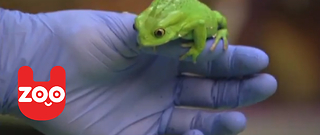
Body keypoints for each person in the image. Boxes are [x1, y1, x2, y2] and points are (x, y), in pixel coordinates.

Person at [0, 8, 277, 135]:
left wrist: (19, 53)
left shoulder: (186, 23)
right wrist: (25, 53)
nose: (143, 42)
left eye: (155, 34)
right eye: (138, 29)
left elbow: (205, 22)